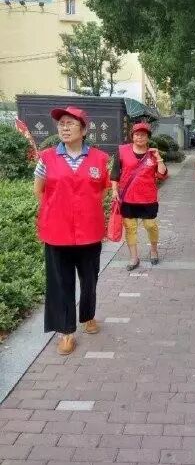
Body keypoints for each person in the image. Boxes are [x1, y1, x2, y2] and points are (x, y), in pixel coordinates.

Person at [34, 106, 110, 356]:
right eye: (61, 124)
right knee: (61, 283)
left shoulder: (99, 159)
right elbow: (39, 190)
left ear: (84, 130)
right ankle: (66, 332)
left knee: (90, 279)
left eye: (70, 123)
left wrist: (85, 209)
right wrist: (57, 210)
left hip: (90, 232)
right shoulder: (46, 158)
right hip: (57, 233)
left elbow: (102, 189)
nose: (64, 128)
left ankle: (88, 316)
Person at [111, 122, 167, 270]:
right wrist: (114, 190)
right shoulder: (122, 151)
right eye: (137, 134)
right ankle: (134, 257)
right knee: (130, 228)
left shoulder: (153, 154)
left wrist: (159, 157)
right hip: (128, 198)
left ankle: (154, 250)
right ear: (132, 136)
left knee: (150, 225)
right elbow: (115, 173)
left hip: (148, 198)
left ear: (148, 137)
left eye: (143, 135)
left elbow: (162, 174)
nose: (140, 137)